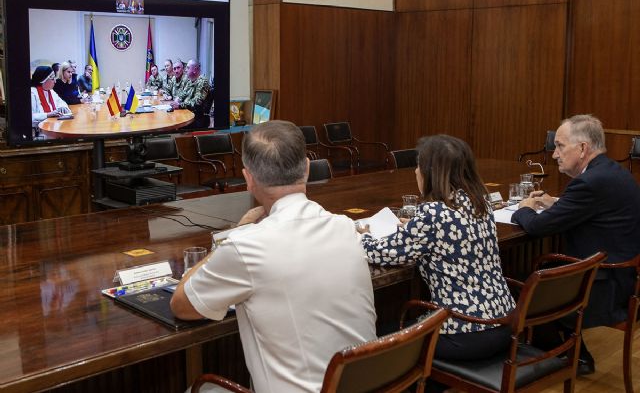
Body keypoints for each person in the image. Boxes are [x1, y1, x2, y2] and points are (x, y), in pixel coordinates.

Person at [171, 120, 377, 393]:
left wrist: (236, 234)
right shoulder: (345, 227)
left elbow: (182, 305)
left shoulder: (245, 245)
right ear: (306, 168)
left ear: (248, 179)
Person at [358, 134, 515, 361]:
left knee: (379, 340)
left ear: (431, 173)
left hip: (464, 333)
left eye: (418, 166)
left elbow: (380, 252)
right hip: (503, 322)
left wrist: (363, 236)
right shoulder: (480, 202)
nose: (415, 171)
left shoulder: (433, 214)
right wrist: (414, 228)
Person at [512, 114, 640, 374]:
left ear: (583, 148)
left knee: (521, 288)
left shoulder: (589, 182)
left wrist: (523, 209)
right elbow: (595, 211)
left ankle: (569, 357)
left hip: (606, 287)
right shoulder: (610, 171)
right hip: (625, 277)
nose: (555, 154)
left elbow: (537, 226)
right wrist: (556, 204)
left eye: (560, 146)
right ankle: (569, 354)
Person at [170, 59, 211, 128]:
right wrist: (177, 100)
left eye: (188, 68)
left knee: (172, 123)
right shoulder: (190, 81)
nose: (185, 70)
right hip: (186, 112)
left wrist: (180, 105)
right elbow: (182, 93)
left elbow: (197, 102)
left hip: (196, 117)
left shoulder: (203, 82)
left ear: (195, 70)